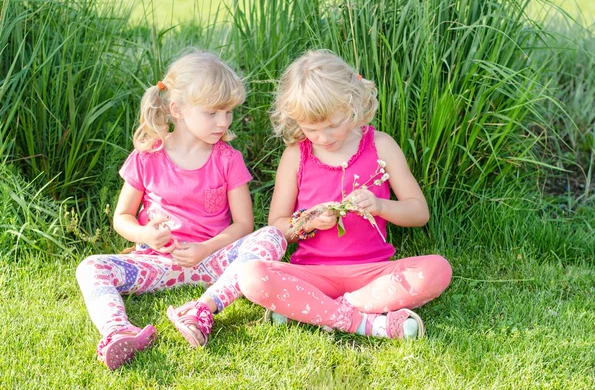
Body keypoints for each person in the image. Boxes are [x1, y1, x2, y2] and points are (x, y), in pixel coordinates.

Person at [76, 50, 286, 370]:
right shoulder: (147, 156)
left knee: (271, 235)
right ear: (178, 110)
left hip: (214, 262)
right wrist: (145, 234)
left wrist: (205, 248)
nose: (224, 121)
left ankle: (202, 308)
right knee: (90, 267)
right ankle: (117, 329)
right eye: (213, 112)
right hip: (159, 264)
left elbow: (244, 224)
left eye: (228, 112)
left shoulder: (227, 159)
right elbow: (122, 217)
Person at [238, 49, 451, 340]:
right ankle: (361, 321)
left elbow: (418, 213)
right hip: (313, 275)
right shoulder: (295, 156)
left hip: (373, 273)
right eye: (312, 129)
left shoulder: (381, 145)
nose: (324, 137)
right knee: (252, 275)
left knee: (437, 269)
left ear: (351, 104)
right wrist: (310, 221)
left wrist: (379, 205)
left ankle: (317, 311)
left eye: (333, 126)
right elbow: (277, 226)